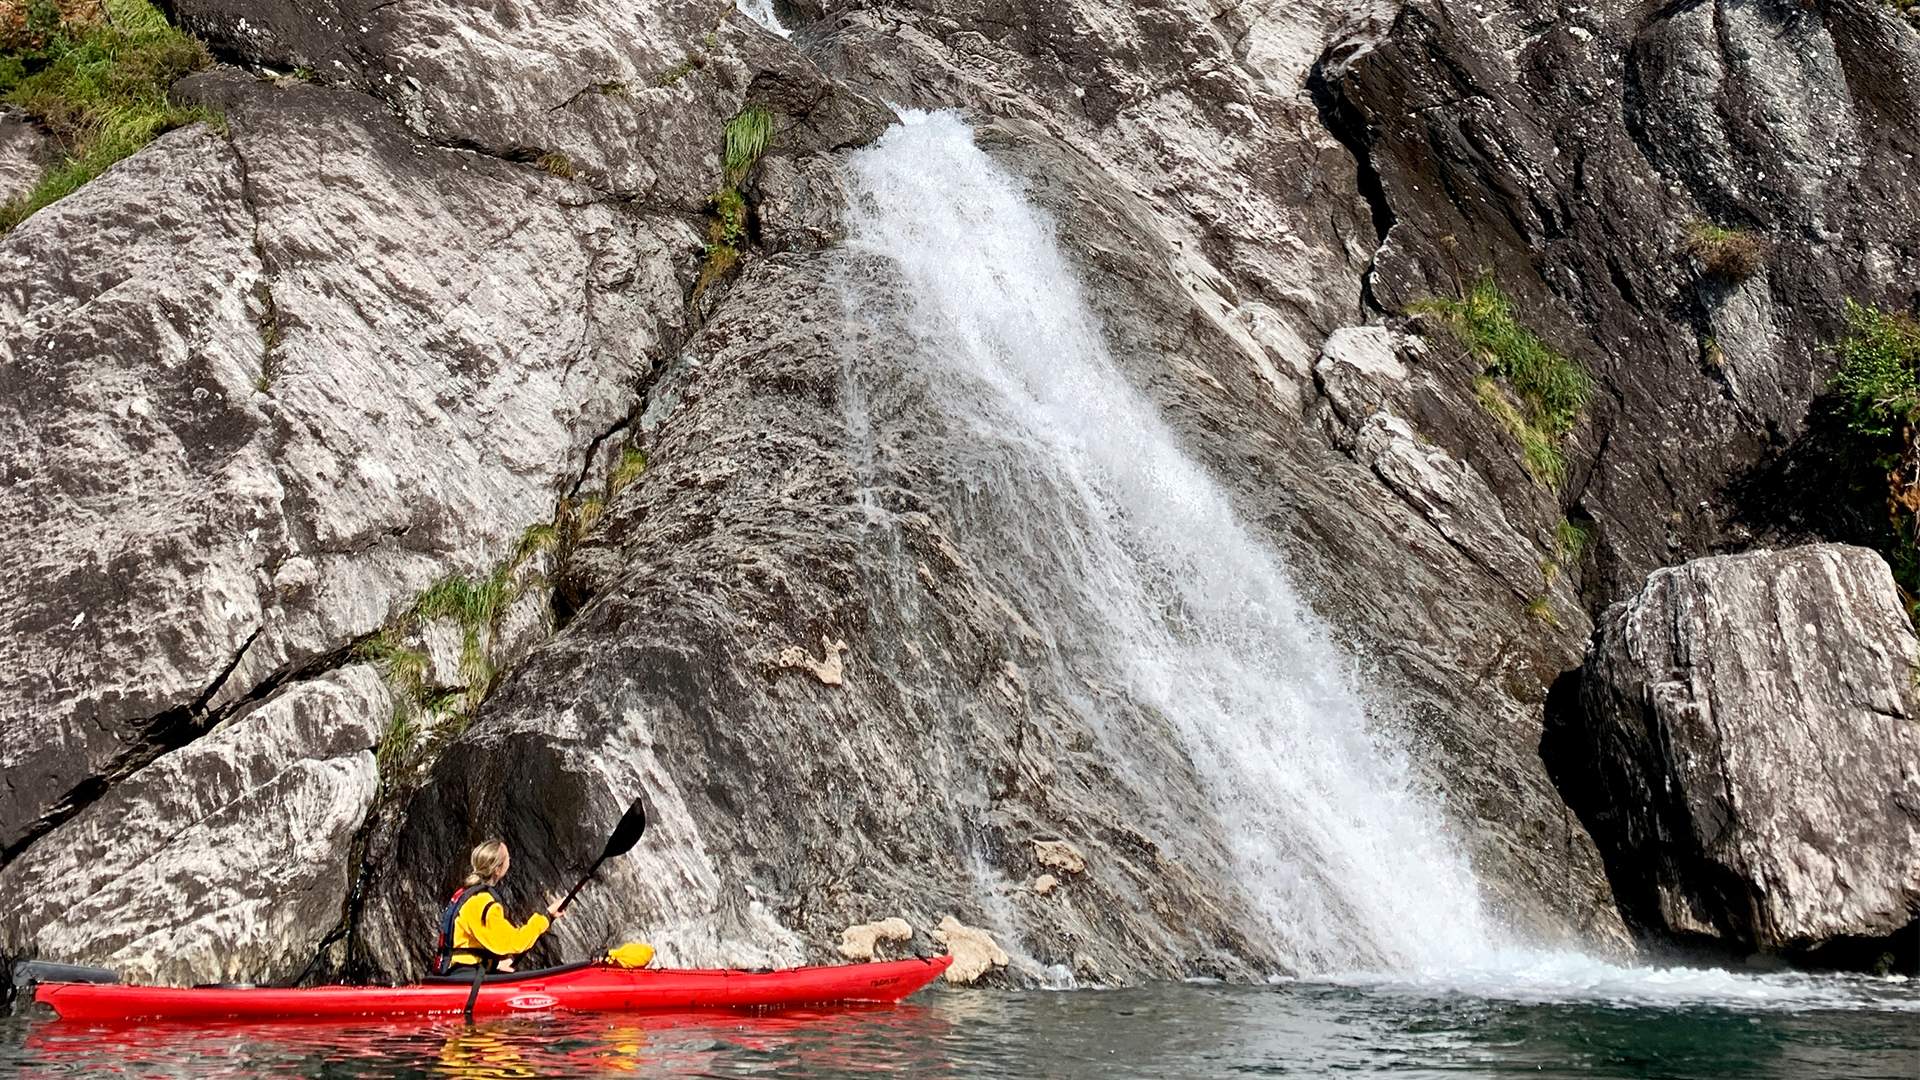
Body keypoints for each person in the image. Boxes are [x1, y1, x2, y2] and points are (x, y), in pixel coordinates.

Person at [436, 838, 563, 975]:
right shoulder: (482, 903)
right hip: (465, 975)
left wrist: (495, 963)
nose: (510, 860)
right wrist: (546, 917)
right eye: (508, 858)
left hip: (459, 970)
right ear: (497, 869)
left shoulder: (466, 894)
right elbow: (514, 942)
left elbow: (474, 943)